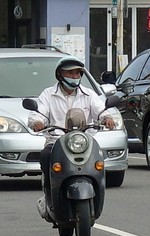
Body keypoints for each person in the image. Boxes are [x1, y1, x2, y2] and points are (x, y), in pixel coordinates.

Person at [27, 56, 116, 205]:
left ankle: (97, 194)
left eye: (78, 73)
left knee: (98, 159)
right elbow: (38, 113)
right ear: (60, 74)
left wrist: (107, 118)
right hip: (56, 141)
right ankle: (49, 195)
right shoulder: (48, 94)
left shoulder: (89, 94)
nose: (75, 77)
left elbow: (100, 111)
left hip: (84, 142)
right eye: (70, 73)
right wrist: (37, 122)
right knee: (45, 155)